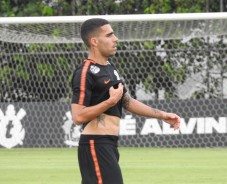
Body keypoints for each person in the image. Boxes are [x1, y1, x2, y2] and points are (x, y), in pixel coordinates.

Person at [71, 18, 181, 184]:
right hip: (96, 144)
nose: (115, 38)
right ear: (94, 41)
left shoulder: (109, 68)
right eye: (109, 35)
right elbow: (78, 117)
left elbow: (126, 101)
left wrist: (162, 115)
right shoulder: (85, 72)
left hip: (109, 144)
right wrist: (109, 102)